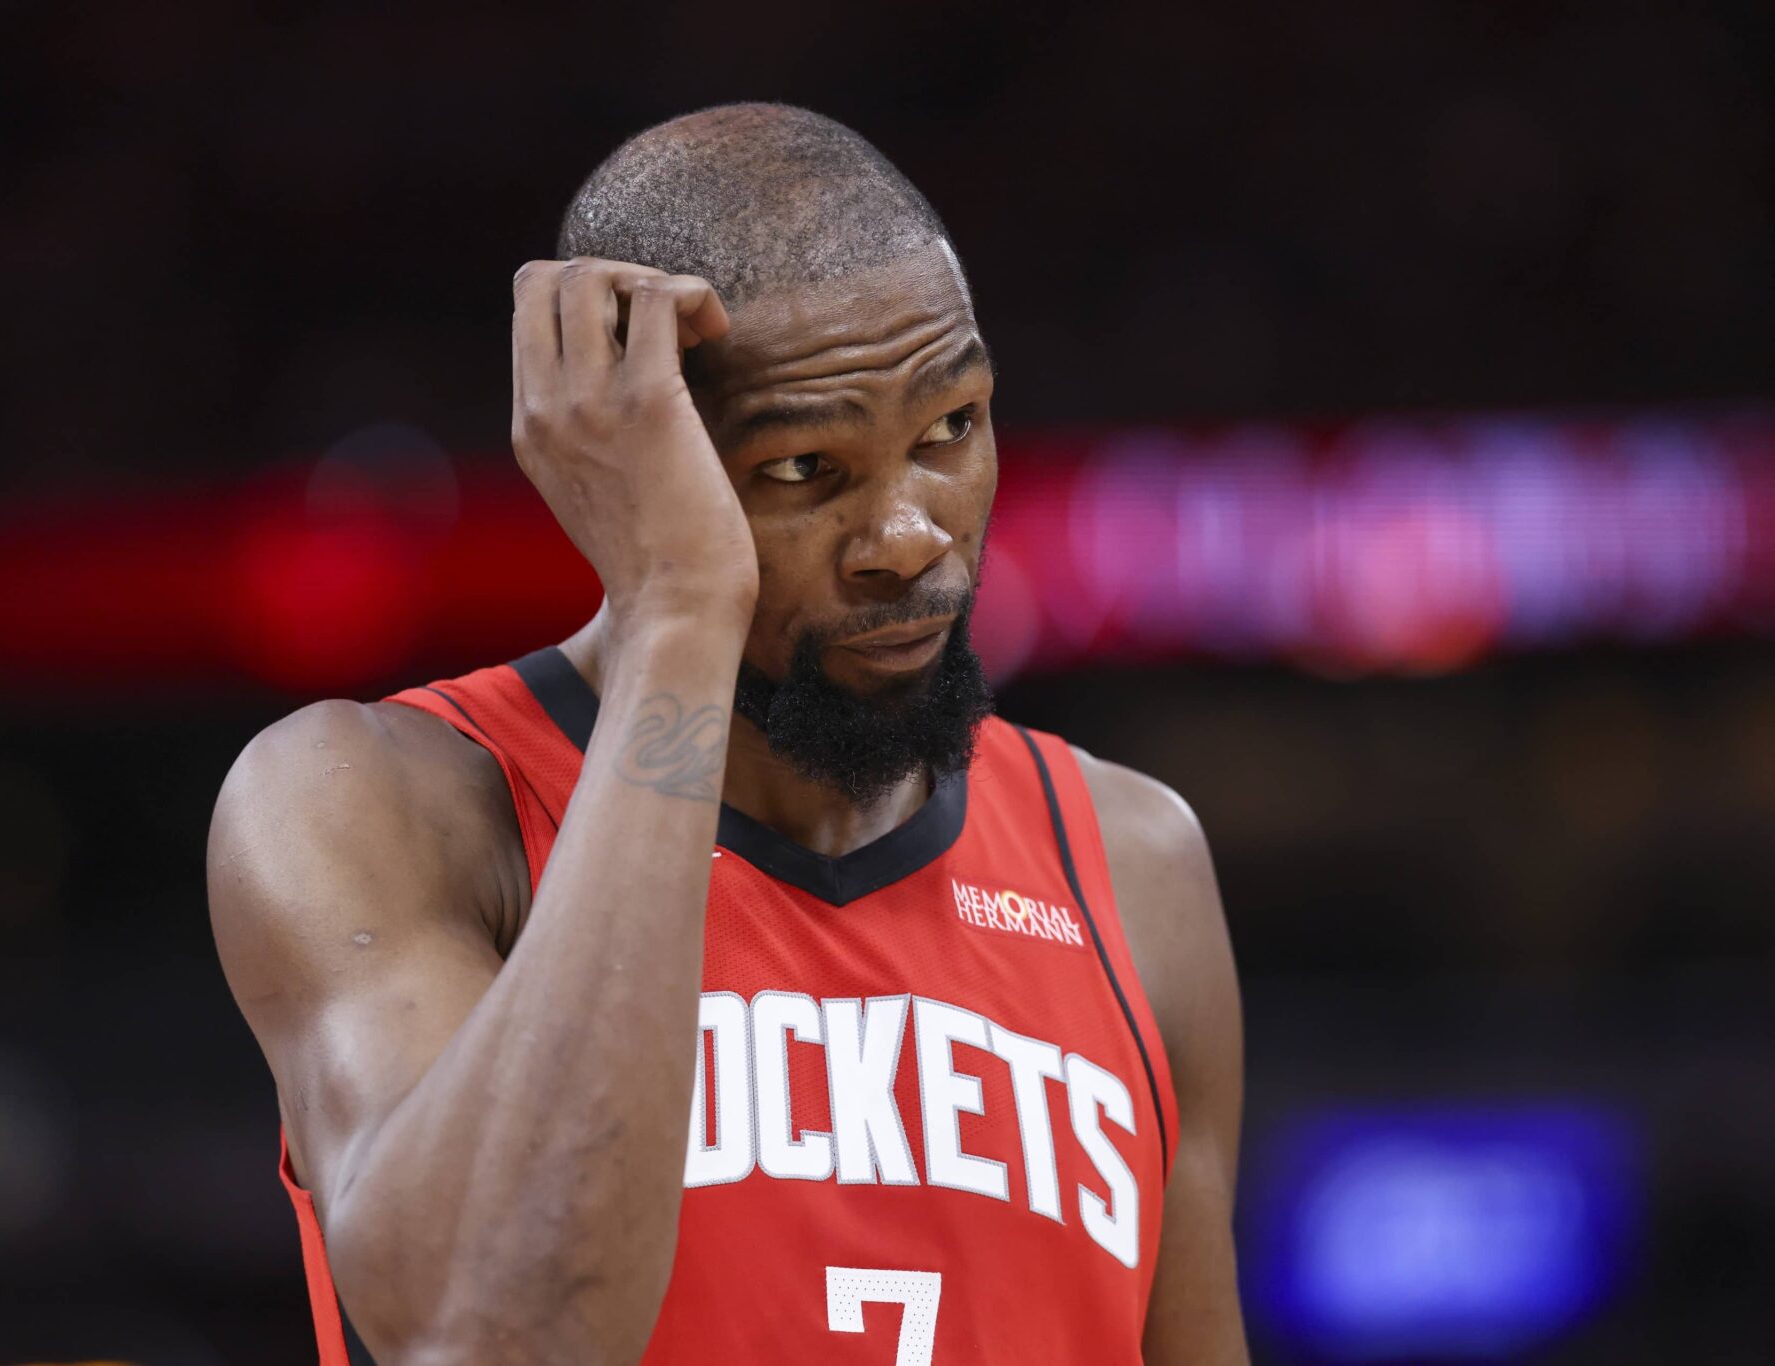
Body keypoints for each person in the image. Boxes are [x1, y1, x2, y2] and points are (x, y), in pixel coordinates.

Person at [208, 102, 1247, 1366]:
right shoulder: (375, 801)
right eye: (804, 468)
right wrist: (678, 607)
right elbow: (495, 1332)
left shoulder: (1133, 862)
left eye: (948, 431)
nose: (909, 535)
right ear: (641, 465)